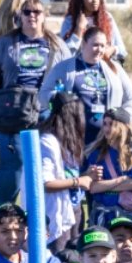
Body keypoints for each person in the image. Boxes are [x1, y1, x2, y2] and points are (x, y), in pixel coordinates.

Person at [0, 0, 70, 205]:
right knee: (12, 164)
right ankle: (3, 215)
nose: (32, 16)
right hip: (12, 110)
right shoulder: (7, 42)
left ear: (44, 16)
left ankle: (39, 217)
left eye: (37, 12)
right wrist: (5, 89)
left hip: (45, 111)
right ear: (20, 16)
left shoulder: (56, 45)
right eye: (27, 12)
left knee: (45, 163)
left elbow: (68, 72)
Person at [39, 26, 132, 147]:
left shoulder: (114, 68)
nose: (100, 50)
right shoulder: (64, 67)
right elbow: (43, 94)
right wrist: (58, 100)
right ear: (83, 44)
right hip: (72, 139)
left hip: (106, 141)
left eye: (103, 46)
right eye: (95, 45)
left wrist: (122, 118)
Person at [40, 92, 88, 251]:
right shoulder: (47, 142)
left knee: (76, 258)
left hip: (74, 206)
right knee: (59, 257)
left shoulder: (69, 140)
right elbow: (45, 183)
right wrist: (78, 182)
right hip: (55, 212)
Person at [82, 109, 132, 224]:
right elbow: (93, 187)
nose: (107, 129)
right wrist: (122, 180)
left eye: (111, 124)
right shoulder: (97, 152)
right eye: (105, 124)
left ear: (124, 127)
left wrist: (105, 185)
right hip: (102, 213)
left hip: (127, 214)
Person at [60, 0, 127, 62]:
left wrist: (112, 49)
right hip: (79, 69)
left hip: (105, 68)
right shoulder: (70, 20)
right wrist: (79, 29)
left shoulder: (107, 18)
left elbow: (122, 49)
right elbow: (65, 53)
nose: (95, 0)